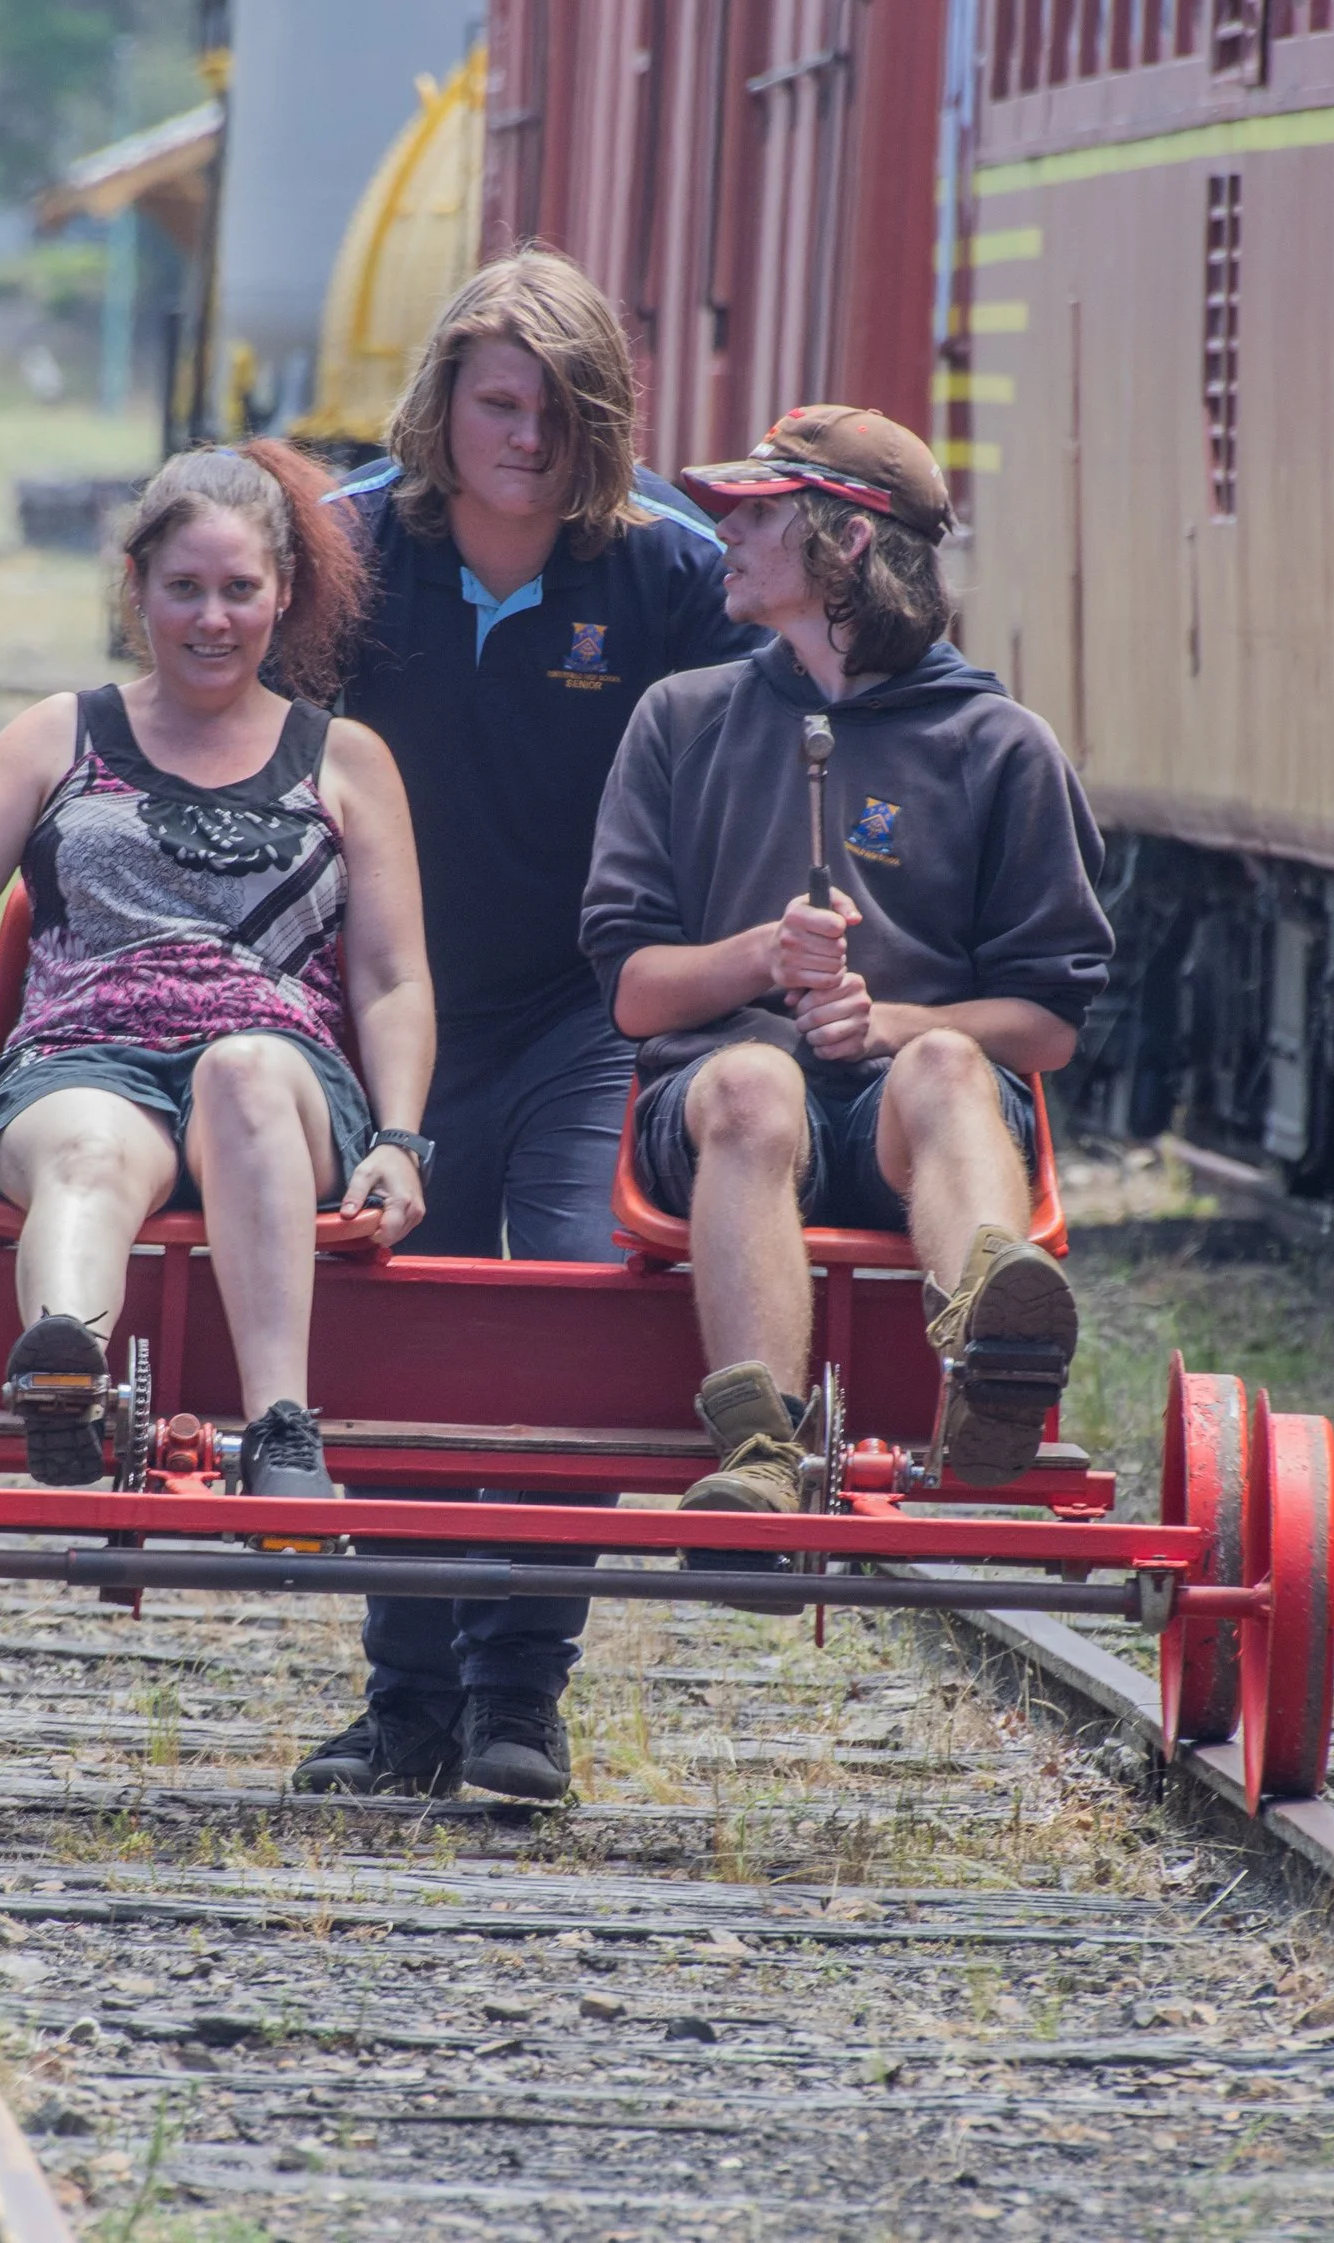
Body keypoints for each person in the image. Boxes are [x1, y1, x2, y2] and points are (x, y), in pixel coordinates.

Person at [289, 248, 753, 1805]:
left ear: (603, 421)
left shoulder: (673, 574)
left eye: (561, 410)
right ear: (445, 402)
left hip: (582, 1011)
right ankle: (406, 1693)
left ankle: (518, 1698)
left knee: (562, 1317)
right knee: (399, 1330)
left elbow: (766, 769)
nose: (529, 437)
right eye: (501, 402)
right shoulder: (344, 550)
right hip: (387, 1008)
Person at [0, 443, 433, 1500]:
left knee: (241, 1072)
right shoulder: (59, 734)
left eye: (239, 590)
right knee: (90, 1145)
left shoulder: (344, 758)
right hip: (83, 1061)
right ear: (136, 589)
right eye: (183, 589)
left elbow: (391, 979)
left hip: (277, 1079)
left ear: (283, 596)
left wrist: (404, 1143)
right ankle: (64, 1379)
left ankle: (281, 1432)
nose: (211, 619)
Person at [581, 405, 1115, 1531]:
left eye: (755, 513)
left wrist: (893, 1021)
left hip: (901, 1130)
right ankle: (762, 1453)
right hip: (723, 1122)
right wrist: (759, 958)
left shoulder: (1000, 747)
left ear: (849, 540)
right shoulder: (680, 721)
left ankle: (992, 1367)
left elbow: (1049, 1028)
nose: (719, 529)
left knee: (950, 1066)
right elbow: (632, 994)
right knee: (749, 1083)